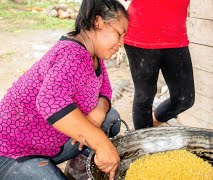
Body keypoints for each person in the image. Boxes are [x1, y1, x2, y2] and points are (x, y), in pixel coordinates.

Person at [0, 0, 128, 179]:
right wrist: (99, 142)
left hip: (51, 142)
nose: (122, 42)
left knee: (110, 119)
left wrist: (97, 114)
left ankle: (77, 170)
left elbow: (104, 90)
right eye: (119, 34)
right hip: (13, 151)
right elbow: (49, 101)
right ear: (98, 22)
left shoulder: (93, 56)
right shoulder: (71, 54)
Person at [124, 0, 195, 130]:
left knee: (185, 99)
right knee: (144, 97)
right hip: (141, 36)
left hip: (175, 36)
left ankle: (152, 122)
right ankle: (144, 143)